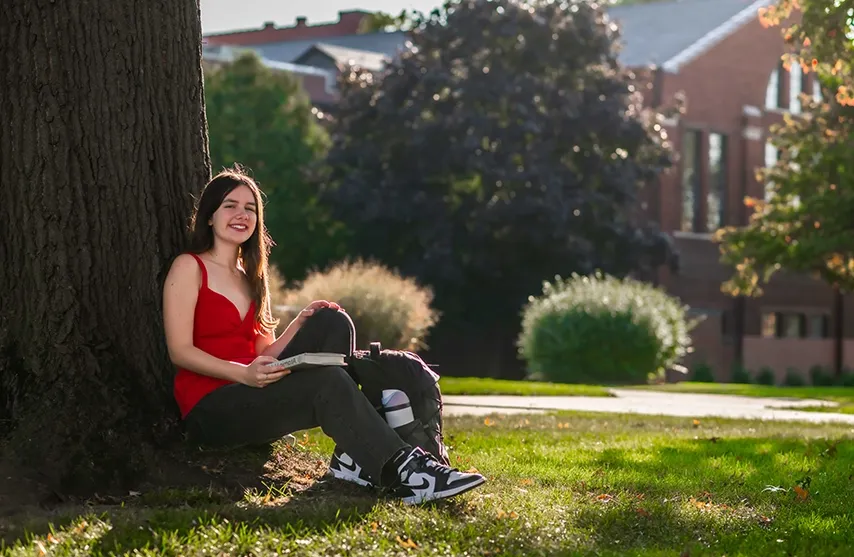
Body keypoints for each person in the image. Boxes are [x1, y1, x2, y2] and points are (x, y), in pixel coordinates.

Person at [162, 167, 485, 504]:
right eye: (230, 205)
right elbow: (180, 351)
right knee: (326, 381)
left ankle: (353, 458)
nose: (242, 215)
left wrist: (301, 323)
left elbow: (264, 352)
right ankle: (407, 473)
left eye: (250, 208)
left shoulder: (252, 276)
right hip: (211, 410)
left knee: (332, 320)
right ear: (210, 216)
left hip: (254, 391)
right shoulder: (189, 267)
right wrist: (243, 373)